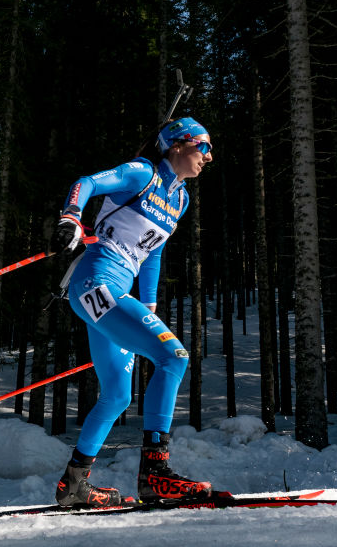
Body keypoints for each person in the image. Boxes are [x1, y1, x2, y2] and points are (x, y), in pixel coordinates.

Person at [49, 117, 214, 508]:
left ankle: (73, 484)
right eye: (202, 147)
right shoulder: (142, 173)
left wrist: (149, 303)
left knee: (118, 396)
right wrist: (71, 217)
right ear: (177, 145)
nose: (208, 156)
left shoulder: (180, 199)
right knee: (174, 358)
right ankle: (156, 475)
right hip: (95, 282)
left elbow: (153, 250)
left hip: (118, 290)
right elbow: (85, 182)